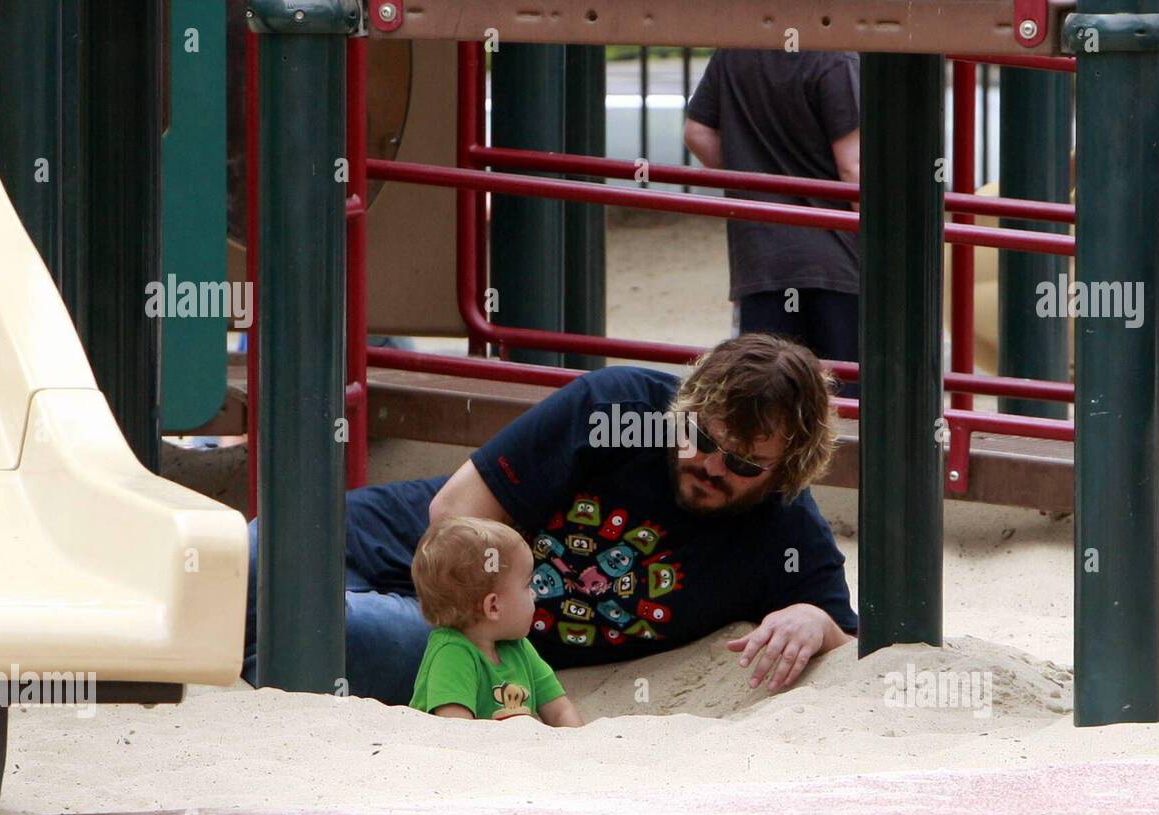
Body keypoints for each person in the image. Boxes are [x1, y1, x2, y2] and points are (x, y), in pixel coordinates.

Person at [241, 334, 857, 706]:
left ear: (788, 472)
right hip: (383, 545)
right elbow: (453, 513)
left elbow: (845, 629)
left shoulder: (786, 531)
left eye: (743, 463)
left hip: (458, 636)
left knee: (337, 635)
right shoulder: (616, 405)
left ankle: (248, 657)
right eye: (696, 434)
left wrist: (810, 618)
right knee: (243, 565)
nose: (708, 463)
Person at [684, 50, 860, 398]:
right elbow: (852, 167)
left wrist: (752, 182)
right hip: (836, 257)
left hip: (762, 254)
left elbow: (697, 132)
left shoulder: (735, 53)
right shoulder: (835, 58)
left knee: (766, 393)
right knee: (843, 396)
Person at [408, 516, 582, 726]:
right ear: (493, 606)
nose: (535, 594)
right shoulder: (452, 654)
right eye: (527, 585)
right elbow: (456, 730)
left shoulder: (518, 646)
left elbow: (560, 710)